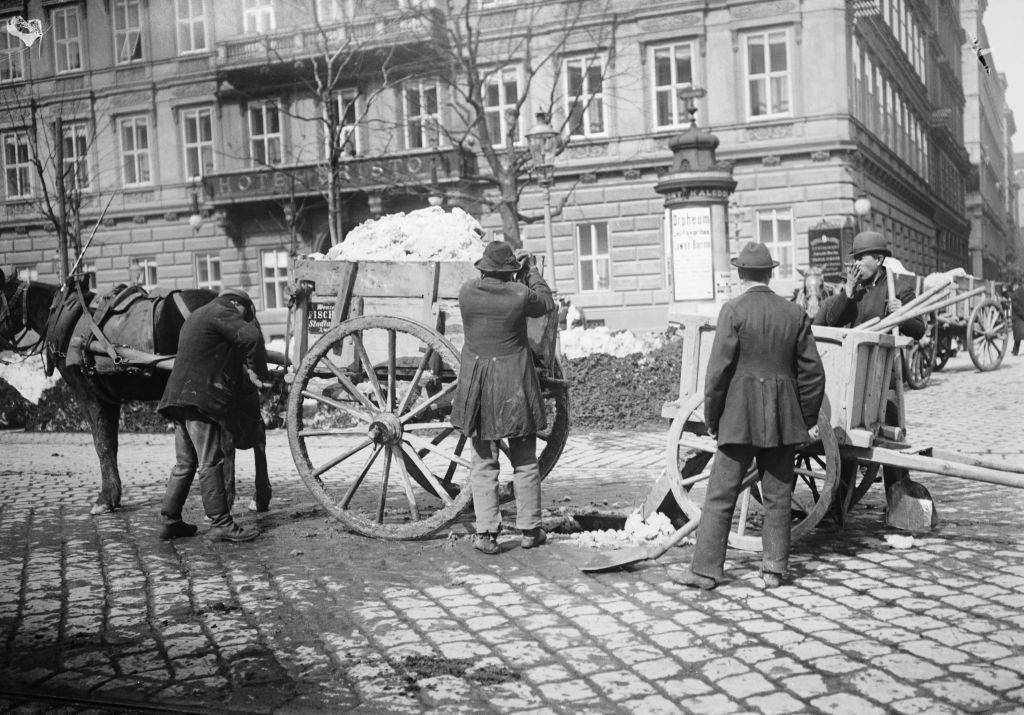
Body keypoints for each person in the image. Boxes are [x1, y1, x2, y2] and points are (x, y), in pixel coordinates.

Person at [677, 242, 825, 590]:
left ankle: (706, 571)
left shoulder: (733, 311)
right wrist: (801, 420)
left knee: (720, 495)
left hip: (738, 420)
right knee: (778, 496)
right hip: (783, 421)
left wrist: (714, 420)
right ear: (770, 274)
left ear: (741, 274)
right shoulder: (794, 314)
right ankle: (774, 569)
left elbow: (717, 375)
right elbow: (813, 374)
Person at [451, 241, 556, 555]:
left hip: (479, 388)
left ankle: (486, 533)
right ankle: (530, 530)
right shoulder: (519, 295)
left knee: (483, 462)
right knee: (525, 461)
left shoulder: (467, 292)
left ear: (483, 268)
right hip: (515, 388)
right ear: (511, 271)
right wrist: (532, 272)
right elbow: (546, 303)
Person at [814, 230, 926, 501]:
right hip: (851, 379)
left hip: (883, 379)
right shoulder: (852, 288)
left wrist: (902, 314)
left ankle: (897, 501)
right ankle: (838, 504)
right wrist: (848, 295)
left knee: (890, 445)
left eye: (860, 259)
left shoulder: (898, 288)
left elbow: (919, 330)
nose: (855, 265)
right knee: (846, 443)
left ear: (878, 259)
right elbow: (826, 325)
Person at [156, 287, 265, 542]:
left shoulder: (197, 315)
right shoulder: (223, 311)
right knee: (210, 461)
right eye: (245, 314)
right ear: (238, 304)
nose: (242, 319)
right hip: (200, 399)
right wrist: (257, 373)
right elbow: (251, 337)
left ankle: (169, 521)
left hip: (177, 397)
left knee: (184, 464)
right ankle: (221, 524)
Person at [1011, 281, 1024, 357]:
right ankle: (1015, 350)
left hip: (1021, 317)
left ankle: (1015, 350)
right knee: (1019, 333)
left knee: (1019, 334)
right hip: (1018, 317)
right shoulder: (1016, 293)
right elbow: (1016, 307)